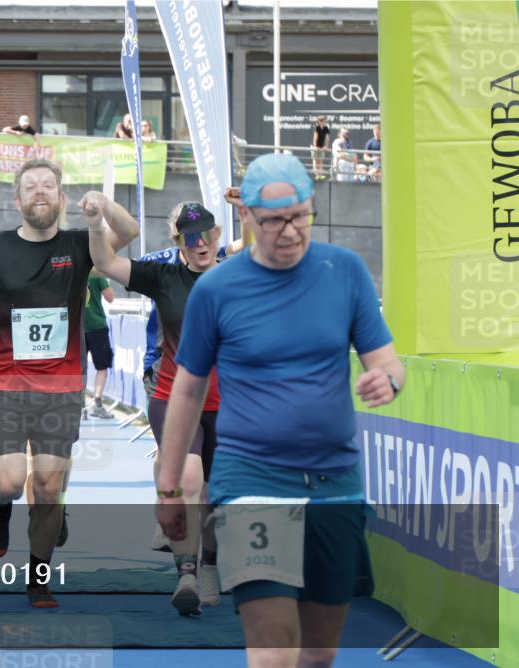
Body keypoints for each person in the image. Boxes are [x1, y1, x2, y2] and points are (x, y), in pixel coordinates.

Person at [157, 153, 404, 667]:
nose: (290, 232)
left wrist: (389, 380)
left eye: (301, 216)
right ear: (246, 215)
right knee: (273, 646)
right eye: (274, 221)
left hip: (335, 482)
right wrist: (169, 486)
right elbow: (186, 391)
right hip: (251, 479)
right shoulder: (216, 290)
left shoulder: (346, 271)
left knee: (317, 654)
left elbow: (386, 359)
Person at [0, 158, 139, 608]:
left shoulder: (80, 245)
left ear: (60, 198)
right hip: (7, 385)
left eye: (49, 186)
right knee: (11, 482)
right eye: (31, 186)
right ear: (17, 201)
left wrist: (102, 207)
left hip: (61, 389)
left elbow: (128, 232)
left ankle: (38, 575)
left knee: (49, 488)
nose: (40, 192)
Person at [89, 201, 224, 615]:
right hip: (174, 397)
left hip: (230, 405)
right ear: (178, 243)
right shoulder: (164, 277)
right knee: (191, 480)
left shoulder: (240, 274)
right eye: (191, 237)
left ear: (217, 236)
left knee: (216, 499)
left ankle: (211, 564)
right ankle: (186, 572)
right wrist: (98, 221)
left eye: (207, 233)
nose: (200, 243)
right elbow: (104, 261)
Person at [82, 270, 115, 419]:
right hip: (96, 326)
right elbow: (110, 298)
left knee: (78, 368)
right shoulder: (97, 273)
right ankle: (97, 403)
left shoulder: (71, 270)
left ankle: (79, 406)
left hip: (76, 327)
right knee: (102, 368)